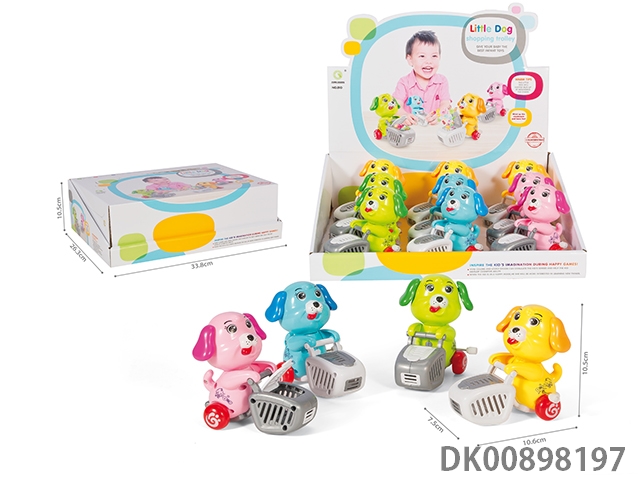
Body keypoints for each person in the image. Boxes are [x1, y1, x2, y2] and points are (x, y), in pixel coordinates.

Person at [393, 30, 451, 125]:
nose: (429, 61)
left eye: (434, 56)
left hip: (433, 128)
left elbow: (445, 103)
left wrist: (439, 114)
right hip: (412, 127)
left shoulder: (442, 81)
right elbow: (396, 106)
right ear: (410, 60)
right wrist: (403, 115)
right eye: (422, 56)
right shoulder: (404, 82)